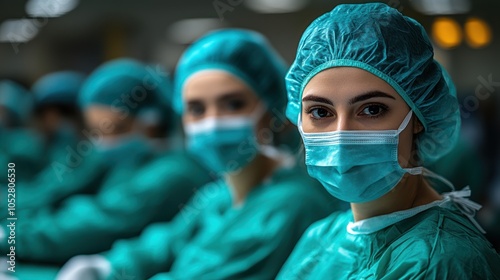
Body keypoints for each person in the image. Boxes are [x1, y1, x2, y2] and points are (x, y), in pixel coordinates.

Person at [56, 29, 343, 280]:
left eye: (232, 104)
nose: (212, 123)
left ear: (271, 110)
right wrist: (107, 266)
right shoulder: (221, 193)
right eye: (196, 109)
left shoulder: (292, 205)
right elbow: (167, 242)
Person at [277, 3, 500, 279]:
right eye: (320, 112)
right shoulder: (323, 235)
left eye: (372, 109)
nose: (342, 134)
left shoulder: (439, 262)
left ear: (418, 116)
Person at [0, 58, 211, 265]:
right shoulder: (129, 165)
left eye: (115, 128)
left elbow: (97, 223)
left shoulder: (174, 174)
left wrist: (8, 236)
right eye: (96, 131)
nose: (104, 142)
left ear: (151, 121)